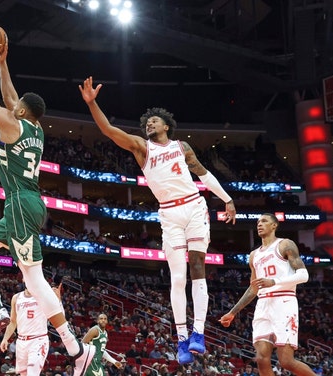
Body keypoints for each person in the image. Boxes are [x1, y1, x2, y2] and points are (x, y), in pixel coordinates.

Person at [78, 77, 237, 365]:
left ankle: (198, 333)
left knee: (198, 265)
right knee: (177, 277)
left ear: (166, 125)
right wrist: (92, 104)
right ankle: (181, 339)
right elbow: (110, 131)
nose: (149, 124)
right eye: (147, 122)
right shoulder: (141, 148)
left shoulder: (182, 147)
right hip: (169, 214)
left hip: (194, 207)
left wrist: (227, 198)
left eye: (154, 121)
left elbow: (203, 174)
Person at [0, 27, 95, 375]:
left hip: (21, 204)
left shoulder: (11, 125)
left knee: (34, 280)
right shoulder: (35, 129)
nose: (13, 104)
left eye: (17, 105)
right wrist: (3, 63)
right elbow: (10, 97)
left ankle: (74, 348)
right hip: (25, 202)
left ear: (21, 111)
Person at [219, 213, 315, 376]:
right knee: (262, 358)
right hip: (263, 304)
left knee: (286, 361)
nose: (259, 224)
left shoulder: (285, 244)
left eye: (264, 221)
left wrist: (274, 282)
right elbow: (253, 288)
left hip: (283, 301)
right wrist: (233, 312)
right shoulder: (253, 255)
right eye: (257, 222)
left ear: (274, 225)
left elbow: (304, 276)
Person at [0, 284, 61, 376]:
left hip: (38, 340)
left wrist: (58, 299)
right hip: (21, 342)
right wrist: (5, 339)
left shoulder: (44, 295)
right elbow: (12, 321)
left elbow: (57, 314)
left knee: (32, 373)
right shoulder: (16, 298)